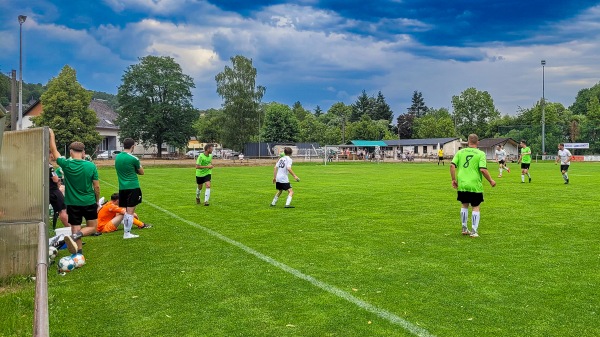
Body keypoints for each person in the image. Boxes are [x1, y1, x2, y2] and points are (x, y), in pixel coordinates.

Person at [49, 129, 100, 255]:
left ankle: (78, 253)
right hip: (88, 201)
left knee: (75, 226)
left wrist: (52, 135)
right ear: (83, 152)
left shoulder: (65, 164)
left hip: (72, 202)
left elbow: (54, 150)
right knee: (93, 227)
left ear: (71, 152)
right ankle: (75, 237)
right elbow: (97, 187)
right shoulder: (91, 166)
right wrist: (97, 200)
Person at [450, 134, 496, 238]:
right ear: (478, 142)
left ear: (468, 141)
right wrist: (491, 180)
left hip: (462, 184)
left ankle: (464, 228)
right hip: (475, 184)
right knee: (476, 206)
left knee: (464, 205)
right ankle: (474, 231)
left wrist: (453, 179)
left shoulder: (460, 152)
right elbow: (483, 169)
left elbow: (452, 165)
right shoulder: (480, 153)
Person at [115, 138, 145, 239]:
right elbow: (141, 172)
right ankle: (127, 233)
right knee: (130, 211)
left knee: (126, 210)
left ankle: (127, 231)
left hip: (122, 187)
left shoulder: (117, 157)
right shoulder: (134, 158)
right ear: (133, 146)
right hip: (133, 187)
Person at [49, 153, 69, 230]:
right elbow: (55, 179)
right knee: (63, 210)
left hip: (46, 190)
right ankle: (71, 229)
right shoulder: (49, 166)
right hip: (53, 191)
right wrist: (58, 179)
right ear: (50, 154)